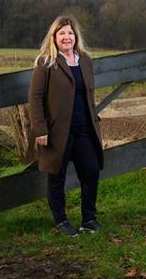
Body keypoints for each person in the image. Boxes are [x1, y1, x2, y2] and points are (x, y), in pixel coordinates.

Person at [28, 15, 104, 236]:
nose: (66, 37)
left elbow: (88, 94)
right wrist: (40, 128)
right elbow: (35, 97)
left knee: (91, 171)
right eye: (61, 33)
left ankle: (88, 219)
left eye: (70, 32)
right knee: (56, 176)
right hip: (57, 131)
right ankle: (61, 221)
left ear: (76, 36)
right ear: (54, 37)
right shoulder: (46, 63)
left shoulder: (85, 60)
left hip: (84, 129)